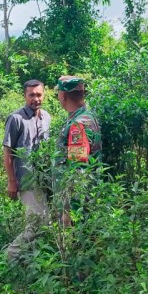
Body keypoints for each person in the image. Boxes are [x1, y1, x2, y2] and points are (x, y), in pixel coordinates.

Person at [3, 79, 52, 261]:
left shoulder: (46, 117)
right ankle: (10, 257)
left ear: (44, 95)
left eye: (39, 94)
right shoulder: (16, 118)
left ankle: (31, 262)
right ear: (25, 96)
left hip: (44, 180)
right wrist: (12, 181)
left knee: (45, 222)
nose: (35, 99)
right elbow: (8, 153)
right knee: (37, 223)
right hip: (26, 180)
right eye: (31, 95)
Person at [54, 76, 102, 225]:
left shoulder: (79, 124)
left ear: (62, 95)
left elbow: (77, 170)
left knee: (74, 244)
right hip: (86, 197)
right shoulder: (88, 116)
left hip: (77, 203)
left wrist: (68, 211)